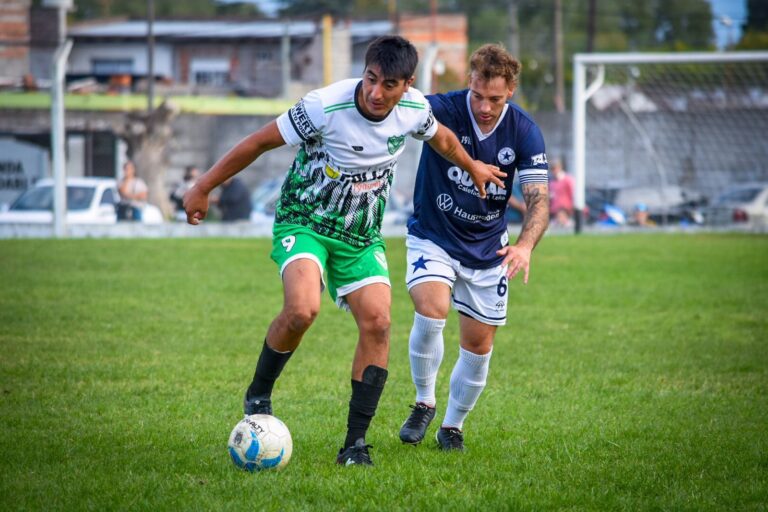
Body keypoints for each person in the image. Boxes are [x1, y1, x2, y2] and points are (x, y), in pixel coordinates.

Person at [183, 35, 505, 466]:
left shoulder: (413, 110)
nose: (376, 92)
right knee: (302, 310)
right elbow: (259, 142)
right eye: (371, 79)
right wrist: (203, 187)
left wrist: (473, 166)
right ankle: (258, 395)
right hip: (306, 220)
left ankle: (354, 446)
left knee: (379, 323)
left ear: (407, 85)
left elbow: (442, 138)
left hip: (360, 235)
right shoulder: (323, 106)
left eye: (389, 84)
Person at [398, 43, 550, 451]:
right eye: (479, 95)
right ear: (469, 81)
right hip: (434, 235)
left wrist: (525, 246)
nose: (485, 106)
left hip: (488, 249)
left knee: (479, 345)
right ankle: (424, 401)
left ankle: (452, 427)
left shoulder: (523, 130)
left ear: (511, 91)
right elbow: (394, 105)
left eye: (495, 99)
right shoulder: (441, 109)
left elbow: (538, 199)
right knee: (432, 309)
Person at [548, 159, 574, 227]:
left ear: (560, 167)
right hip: (554, 210)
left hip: (565, 208)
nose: (554, 171)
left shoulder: (568, 180)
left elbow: (572, 194)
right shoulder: (550, 181)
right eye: (552, 169)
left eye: (555, 168)